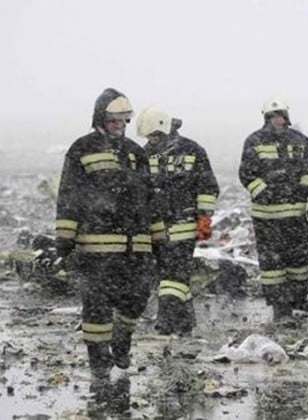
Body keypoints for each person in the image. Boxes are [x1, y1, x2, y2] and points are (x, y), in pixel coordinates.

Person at [55, 88, 167, 380]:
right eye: (114, 119)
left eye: (124, 119)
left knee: (137, 299)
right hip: (96, 246)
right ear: (101, 119)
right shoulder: (82, 148)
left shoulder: (135, 152)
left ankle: (121, 339)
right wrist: (64, 238)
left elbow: (150, 199)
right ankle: (99, 361)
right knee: (98, 306)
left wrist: (159, 238)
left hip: (136, 246)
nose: (119, 125)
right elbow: (69, 194)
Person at [136, 106, 220, 336]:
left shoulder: (192, 150)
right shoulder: (144, 154)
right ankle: (185, 323)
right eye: (149, 137)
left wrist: (204, 217)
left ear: (164, 128)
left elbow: (208, 186)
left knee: (172, 276)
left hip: (184, 223)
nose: (152, 140)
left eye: (155, 135)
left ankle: (165, 324)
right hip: (156, 227)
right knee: (174, 276)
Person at [238, 98, 308, 323]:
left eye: (280, 115)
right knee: (273, 265)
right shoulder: (254, 141)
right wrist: (265, 193)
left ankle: (297, 299)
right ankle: (281, 309)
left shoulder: (300, 140)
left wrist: (303, 189)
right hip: (267, 217)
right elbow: (246, 174)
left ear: (287, 116)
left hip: (295, 215)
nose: (277, 120)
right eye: (273, 116)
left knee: (298, 262)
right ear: (266, 118)